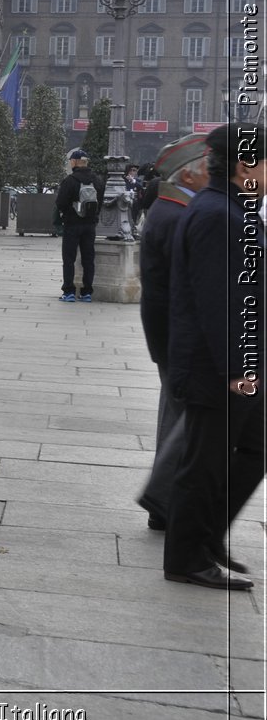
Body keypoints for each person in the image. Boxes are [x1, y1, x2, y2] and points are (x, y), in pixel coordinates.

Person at [162, 123, 265, 590]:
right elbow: (220, 302)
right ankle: (187, 556)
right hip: (218, 369)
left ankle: (207, 533)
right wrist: (237, 369)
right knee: (202, 464)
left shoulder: (234, 209)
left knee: (254, 449)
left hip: (236, 363)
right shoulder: (220, 215)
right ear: (246, 165)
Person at [134, 133, 210, 531]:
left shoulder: (172, 208)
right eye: (210, 169)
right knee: (185, 421)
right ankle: (164, 500)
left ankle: (164, 503)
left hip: (169, 335)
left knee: (177, 418)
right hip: (178, 337)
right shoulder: (178, 214)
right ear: (191, 174)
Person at [56, 148, 104, 302]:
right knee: (88, 259)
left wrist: (68, 213)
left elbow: (61, 203)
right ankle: (87, 292)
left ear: (75, 162)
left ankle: (69, 291)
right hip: (90, 225)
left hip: (72, 224)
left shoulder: (70, 180)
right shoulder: (97, 180)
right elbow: (100, 203)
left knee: (69, 258)